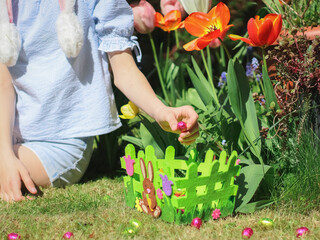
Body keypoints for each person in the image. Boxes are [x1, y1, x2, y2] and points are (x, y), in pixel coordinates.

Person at [0, 0, 199, 202]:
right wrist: (4, 154)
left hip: (59, 143)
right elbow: (3, 84)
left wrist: (160, 111)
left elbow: (123, 69)